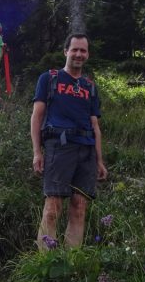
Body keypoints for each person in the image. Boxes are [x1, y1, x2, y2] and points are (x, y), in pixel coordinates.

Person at [31, 33, 108, 249]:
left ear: (88, 54)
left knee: (79, 206)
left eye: (83, 50)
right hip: (59, 147)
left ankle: (71, 263)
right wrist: (37, 152)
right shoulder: (49, 78)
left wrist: (99, 160)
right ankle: (44, 264)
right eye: (75, 49)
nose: (79, 54)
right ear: (66, 51)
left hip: (86, 151)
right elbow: (37, 115)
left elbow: (95, 126)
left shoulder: (90, 87)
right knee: (52, 208)